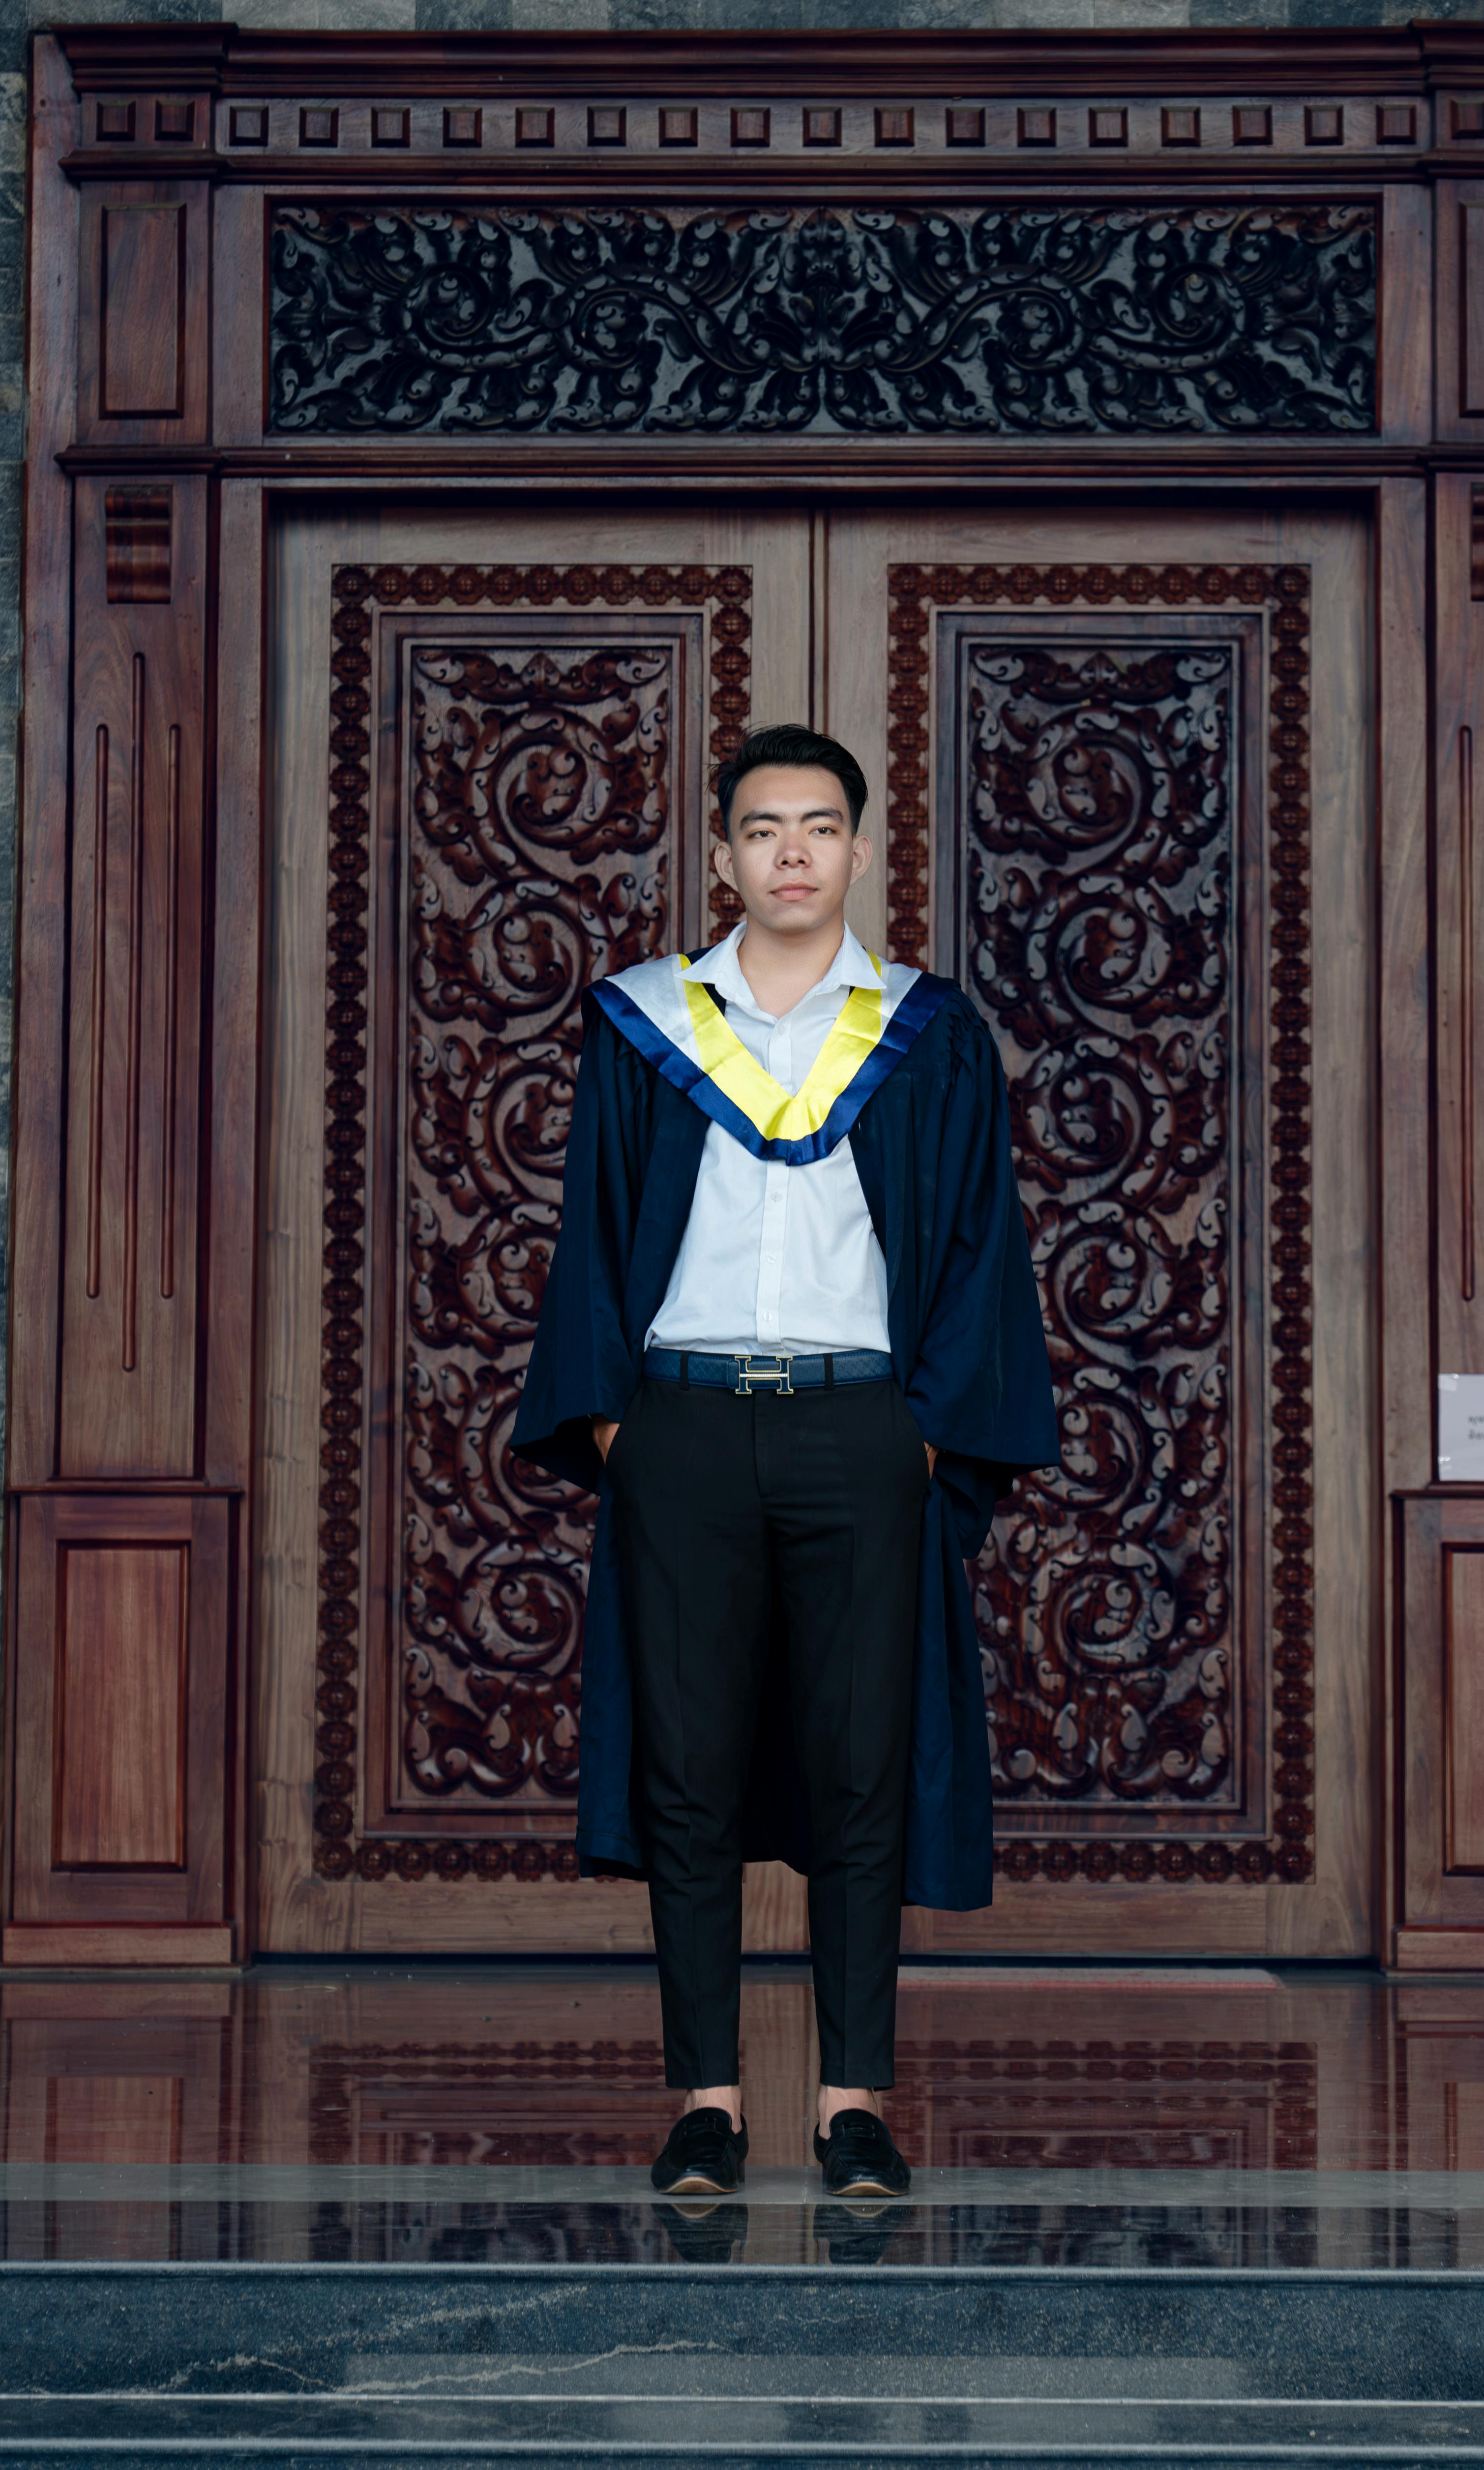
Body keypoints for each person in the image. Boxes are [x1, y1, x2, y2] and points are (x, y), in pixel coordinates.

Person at [514, 721, 1057, 2203]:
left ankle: (849, 2101)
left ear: (864, 849)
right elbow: (593, 1240)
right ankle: (704, 2098)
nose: (793, 854)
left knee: (858, 1767)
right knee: (687, 1769)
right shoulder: (644, 1025)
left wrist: (921, 1431)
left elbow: (970, 1251)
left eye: (820, 827)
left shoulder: (925, 1033)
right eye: (763, 830)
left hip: (857, 1426)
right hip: (680, 1425)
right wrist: (622, 1429)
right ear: (721, 856)